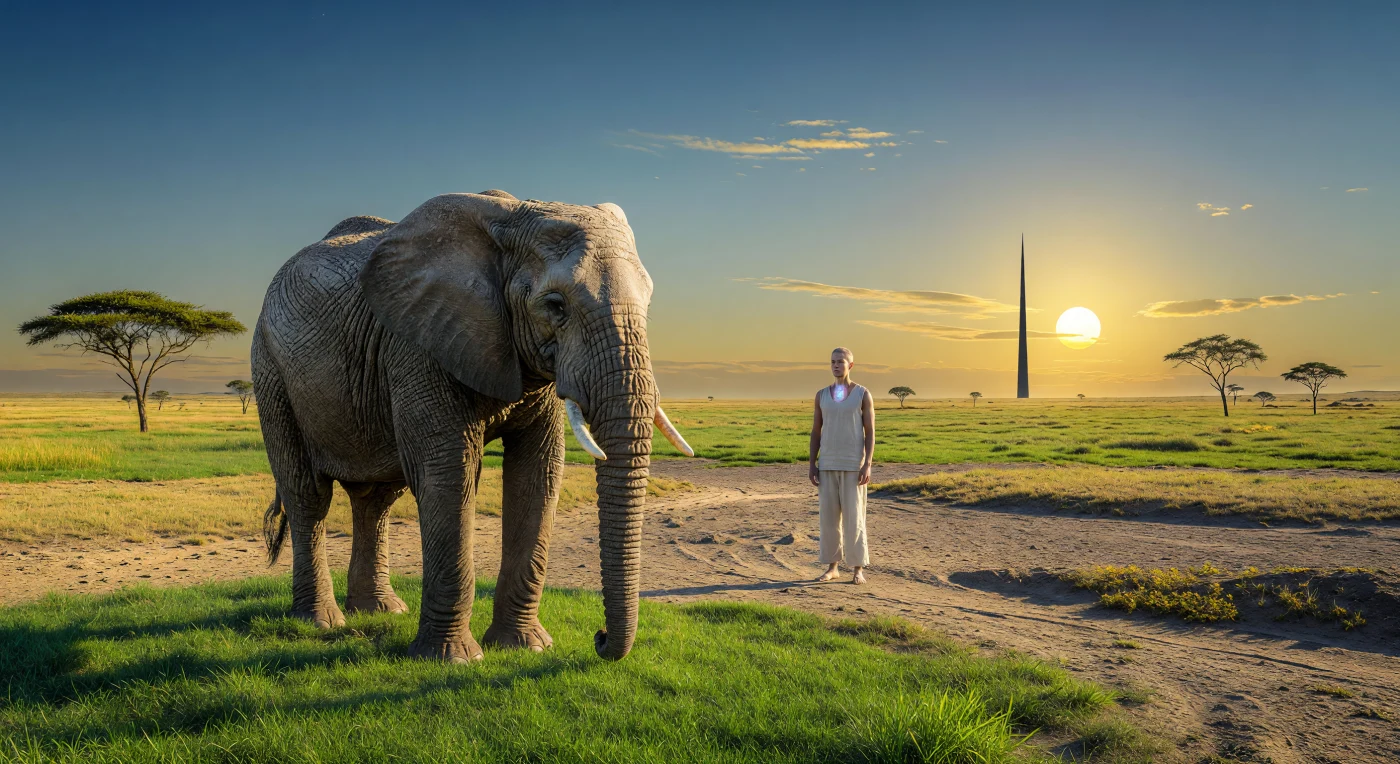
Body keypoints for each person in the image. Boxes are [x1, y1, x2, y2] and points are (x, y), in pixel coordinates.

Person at [808, 346, 874, 584]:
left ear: (850, 365)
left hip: (853, 465)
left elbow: (870, 432)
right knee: (829, 519)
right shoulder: (822, 395)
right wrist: (812, 463)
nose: (836, 365)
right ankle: (832, 567)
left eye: (840, 362)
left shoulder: (862, 394)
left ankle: (857, 569)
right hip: (827, 464)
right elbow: (816, 431)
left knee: (854, 518)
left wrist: (867, 463)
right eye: (833, 362)